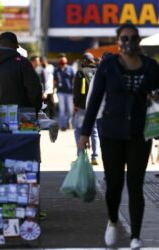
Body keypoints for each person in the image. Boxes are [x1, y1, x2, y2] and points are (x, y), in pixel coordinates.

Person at [79, 23, 159, 249]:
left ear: (138, 41)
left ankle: (135, 235)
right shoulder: (109, 66)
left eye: (132, 38)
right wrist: (85, 132)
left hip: (140, 133)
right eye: (124, 38)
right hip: (111, 131)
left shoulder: (151, 67)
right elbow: (95, 99)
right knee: (114, 184)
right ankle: (113, 220)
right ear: (118, 41)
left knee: (136, 184)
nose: (128, 42)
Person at [0, 32, 42, 112]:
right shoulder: (23, 63)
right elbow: (34, 90)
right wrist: (35, 110)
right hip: (20, 117)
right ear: (16, 46)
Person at [73, 52, 99, 165]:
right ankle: (95, 156)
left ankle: (81, 156)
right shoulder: (98, 72)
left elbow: (77, 90)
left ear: (84, 61)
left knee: (78, 130)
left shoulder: (80, 72)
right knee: (94, 131)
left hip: (82, 106)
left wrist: (75, 103)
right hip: (95, 107)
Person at [54, 53, 75, 130]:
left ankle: (68, 121)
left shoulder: (71, 69)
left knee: (70, 110)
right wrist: (53, 92)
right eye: (60, 58)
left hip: (69, 92)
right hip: (60, 92)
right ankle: (63, 126)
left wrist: (75, 90)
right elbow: (55, 82)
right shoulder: (56, 70)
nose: (62, 60)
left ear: (66, 60)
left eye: (63, 58)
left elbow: (74, 80)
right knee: (62, 109)